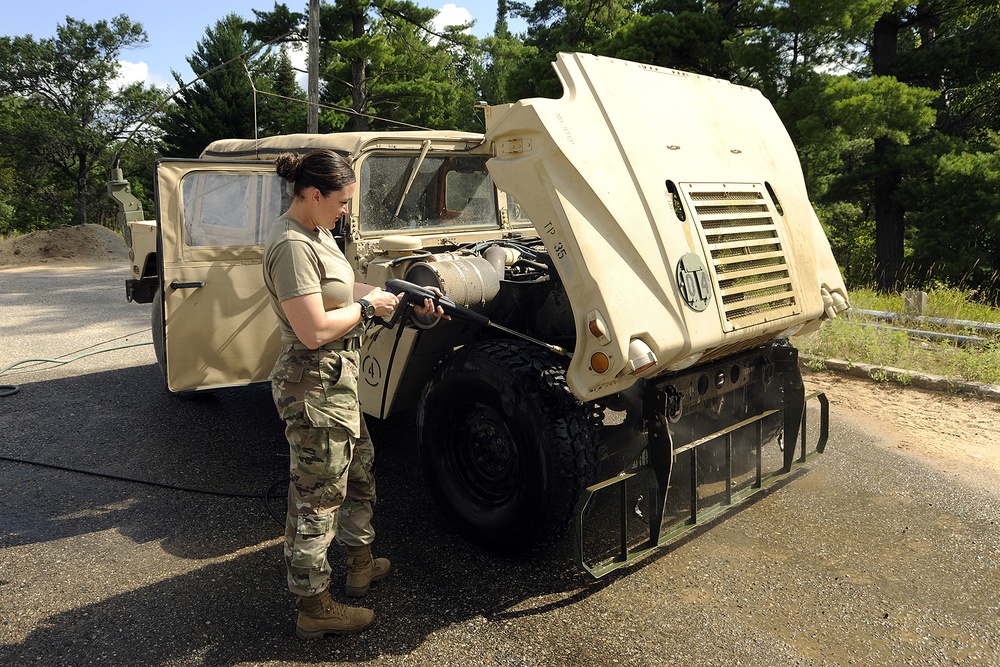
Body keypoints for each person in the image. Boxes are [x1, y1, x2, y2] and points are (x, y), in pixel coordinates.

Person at [263, 149, 444, 640]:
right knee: (317, 497)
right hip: (313, 382)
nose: (346, 210)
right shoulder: (292, 245)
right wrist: (369, 308)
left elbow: (341, 290)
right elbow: (313, 327)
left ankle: (359, 563)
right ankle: (314, 606)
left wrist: (399, 296)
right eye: (341, 201)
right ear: (314, 194)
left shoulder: (318, 233)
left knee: (358, 469)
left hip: (337, 382)